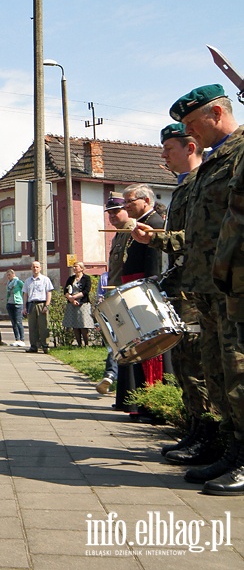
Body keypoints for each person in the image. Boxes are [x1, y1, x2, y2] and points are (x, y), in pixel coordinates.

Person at [171, 84, 244, 494]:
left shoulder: (240, 153)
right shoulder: (213, 164)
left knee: (239, 373)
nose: (190, 136)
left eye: (193, 124)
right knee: (219, 376)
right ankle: (232, 451)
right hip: (208, 289)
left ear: (217, 113)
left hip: (235, 287)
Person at [131, 123, 211, 462]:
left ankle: (209, 436)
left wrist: (156, 239)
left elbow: (195, 238)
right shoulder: (183, 187)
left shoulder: (201, 183)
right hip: (183, 286)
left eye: (169, 150)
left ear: (190, 147)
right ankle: (196, 430)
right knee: (184, 364)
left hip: (199, 290)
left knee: (198, 366)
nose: (163, 156)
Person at [114, 184, 164, 419]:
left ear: (145, 200)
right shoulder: (141, 223)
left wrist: (148, 291)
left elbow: (154, 265)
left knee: (150, 351)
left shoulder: (154, 224)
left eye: (129, 202)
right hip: (133, 290)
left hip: (144, 293)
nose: (125, 206)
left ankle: (152, 405)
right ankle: (140, 404)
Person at [95, 193, 133, 394]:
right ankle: (112, 376)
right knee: (115, 339)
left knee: (120, 340)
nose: (112, 216)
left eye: (116, 211)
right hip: (115, 295)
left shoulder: (132, 231)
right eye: (109, 213)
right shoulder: (118, 233)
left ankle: (111, 375)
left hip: (127, 295)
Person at [22, 260, 54, 354]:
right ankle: (33, 346)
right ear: (31, 268)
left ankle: (45, 346)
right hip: (31, 304)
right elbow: (25, 294)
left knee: (43, 326)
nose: (35, 268)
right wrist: (24, 307)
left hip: (42, 304)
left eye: (37, 267)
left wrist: (47, 305)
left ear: (40, 268)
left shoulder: (45, 279)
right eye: (33, 267)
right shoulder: (28, 281)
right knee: (32, 327)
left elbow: (49, 293)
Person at [62, 262, 94, 347]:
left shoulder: (86, 278)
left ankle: (86, 344)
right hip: (72, 303)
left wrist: (75, 297)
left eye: (76, 267)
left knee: (83, 324)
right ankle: (79, 344)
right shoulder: (71, 278)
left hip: (83, 303)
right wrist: (71, 299)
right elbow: (65, 291)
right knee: (75, 324)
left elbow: (86, 291)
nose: (74, 268)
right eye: (74, 267)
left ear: (81, 268)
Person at [4, 269, 25, 347]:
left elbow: (25, 288)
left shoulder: (18, 282)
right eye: (7, 275)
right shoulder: (9, 283)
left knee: (18, 321)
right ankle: (17, 339)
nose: (8, 277)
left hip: (17, 303)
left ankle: (22, 339)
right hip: (10, 303)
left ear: (13, 274)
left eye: (9, 275)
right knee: (13, 323)